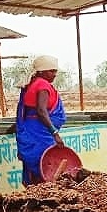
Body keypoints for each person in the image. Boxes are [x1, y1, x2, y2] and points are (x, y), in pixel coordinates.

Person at [16, 55, 66, 186]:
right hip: (39, 133)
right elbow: (41, 111)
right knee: (43, 164)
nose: (54, 74)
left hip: (32, 129)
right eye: (51, 71)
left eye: (55, 71)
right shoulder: (42, 85)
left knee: (35, 166)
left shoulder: (33, 83)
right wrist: (55, 133)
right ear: (42, 71)